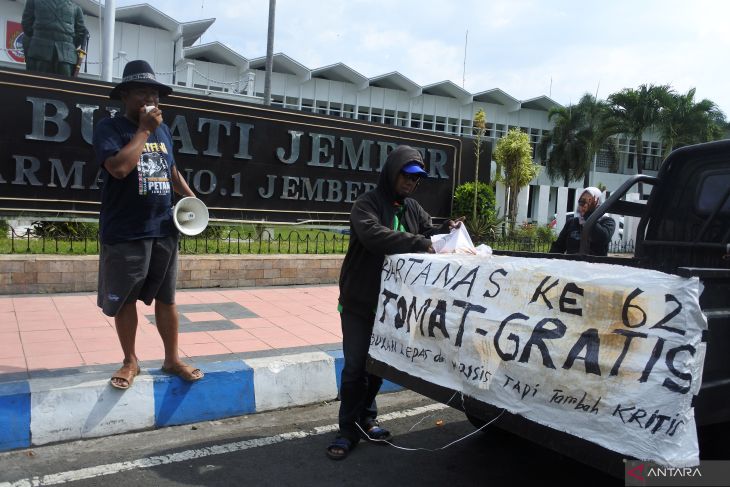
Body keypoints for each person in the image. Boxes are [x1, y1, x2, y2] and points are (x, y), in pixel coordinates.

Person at [327, 145, 464, 460]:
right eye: (406, 175)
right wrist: (423, 242)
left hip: (394, 307)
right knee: (355, 367)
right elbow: (375, 236)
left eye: (416, 179)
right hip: (360, 302)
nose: (411, 183)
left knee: (378, 366)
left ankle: (367, 417)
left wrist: (448, 231)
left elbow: (430, 232)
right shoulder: (366, 205)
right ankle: (346, 430)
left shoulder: (414, 209)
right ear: (392, 172)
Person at [93, 59, 203, 390]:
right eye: (142, 91)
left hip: (163, 227)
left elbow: (170, 170)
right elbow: (119, 169)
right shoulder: (109, 129)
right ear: (125, 95)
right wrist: (143, 129)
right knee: (126, 298)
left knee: (167, 299)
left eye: (154, 92)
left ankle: (172, 359)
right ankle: (130, 361)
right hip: (126, 229)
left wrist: (192, 199)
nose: (150, 98)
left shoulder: (164, 131)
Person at [21, 0, 88, 76]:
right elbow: (81, 33)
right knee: (64, 86)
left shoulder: (34, 2)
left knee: (37, 84)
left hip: (40, 52)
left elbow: (26, 26)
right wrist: (68, 45)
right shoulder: (76, 8)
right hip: (66, 56)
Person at [549, 187, 616, 256]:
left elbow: (602, 238)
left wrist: (589, 215)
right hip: (573, 265)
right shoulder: (572, 223)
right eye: (582, 201)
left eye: (590, 202)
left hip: (595, 265)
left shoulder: (607, 221)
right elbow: (558, 247)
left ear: (597, 204)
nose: (585, 205)